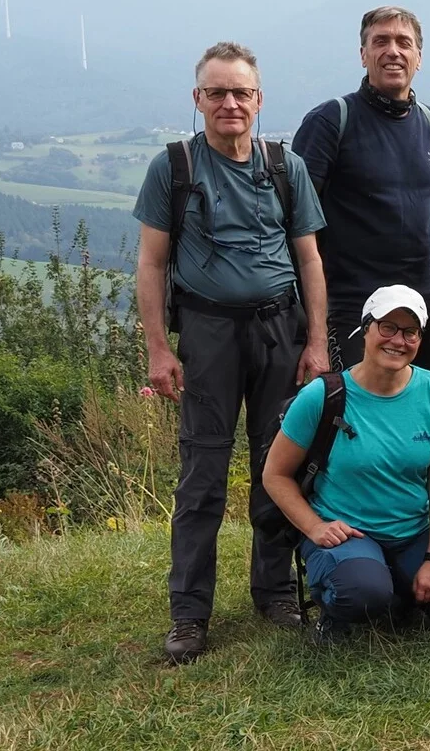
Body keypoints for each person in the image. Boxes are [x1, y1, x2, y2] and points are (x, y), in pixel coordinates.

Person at [135, 41, 329, 665]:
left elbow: (309, 259)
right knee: (202, 476)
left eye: (240, 92)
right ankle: (190, 614)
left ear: (258, 100)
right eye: (216, 93)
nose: (229, 103)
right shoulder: (174, 167)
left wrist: (318, 342)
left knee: (280, 466)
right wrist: (159, 351)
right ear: (198, 101)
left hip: (280, 329)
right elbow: (151, 262)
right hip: (208, 332)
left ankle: (274, 593)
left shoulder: (283, 165)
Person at [263, 285, 430, 640]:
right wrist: (314, 527)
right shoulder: (322, 395)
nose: (398, 340)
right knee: (362, 592)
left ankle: (392, 585)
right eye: (387, 327)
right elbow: (275, 475)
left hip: (410, 533)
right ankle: (337, 609)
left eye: (410, 331)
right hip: (347, 531)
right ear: (366, 329)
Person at [293, 6, 430, 373]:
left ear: (419, 57)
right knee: (355, 420)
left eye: (404, 42)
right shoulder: (330, 122)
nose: (393, 51)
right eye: (380, 41)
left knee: (416, 415)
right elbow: (296, 219)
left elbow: (424, 206)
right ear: (363, 54)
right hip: (353, 305)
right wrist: (312, 324)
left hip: (421, 304)